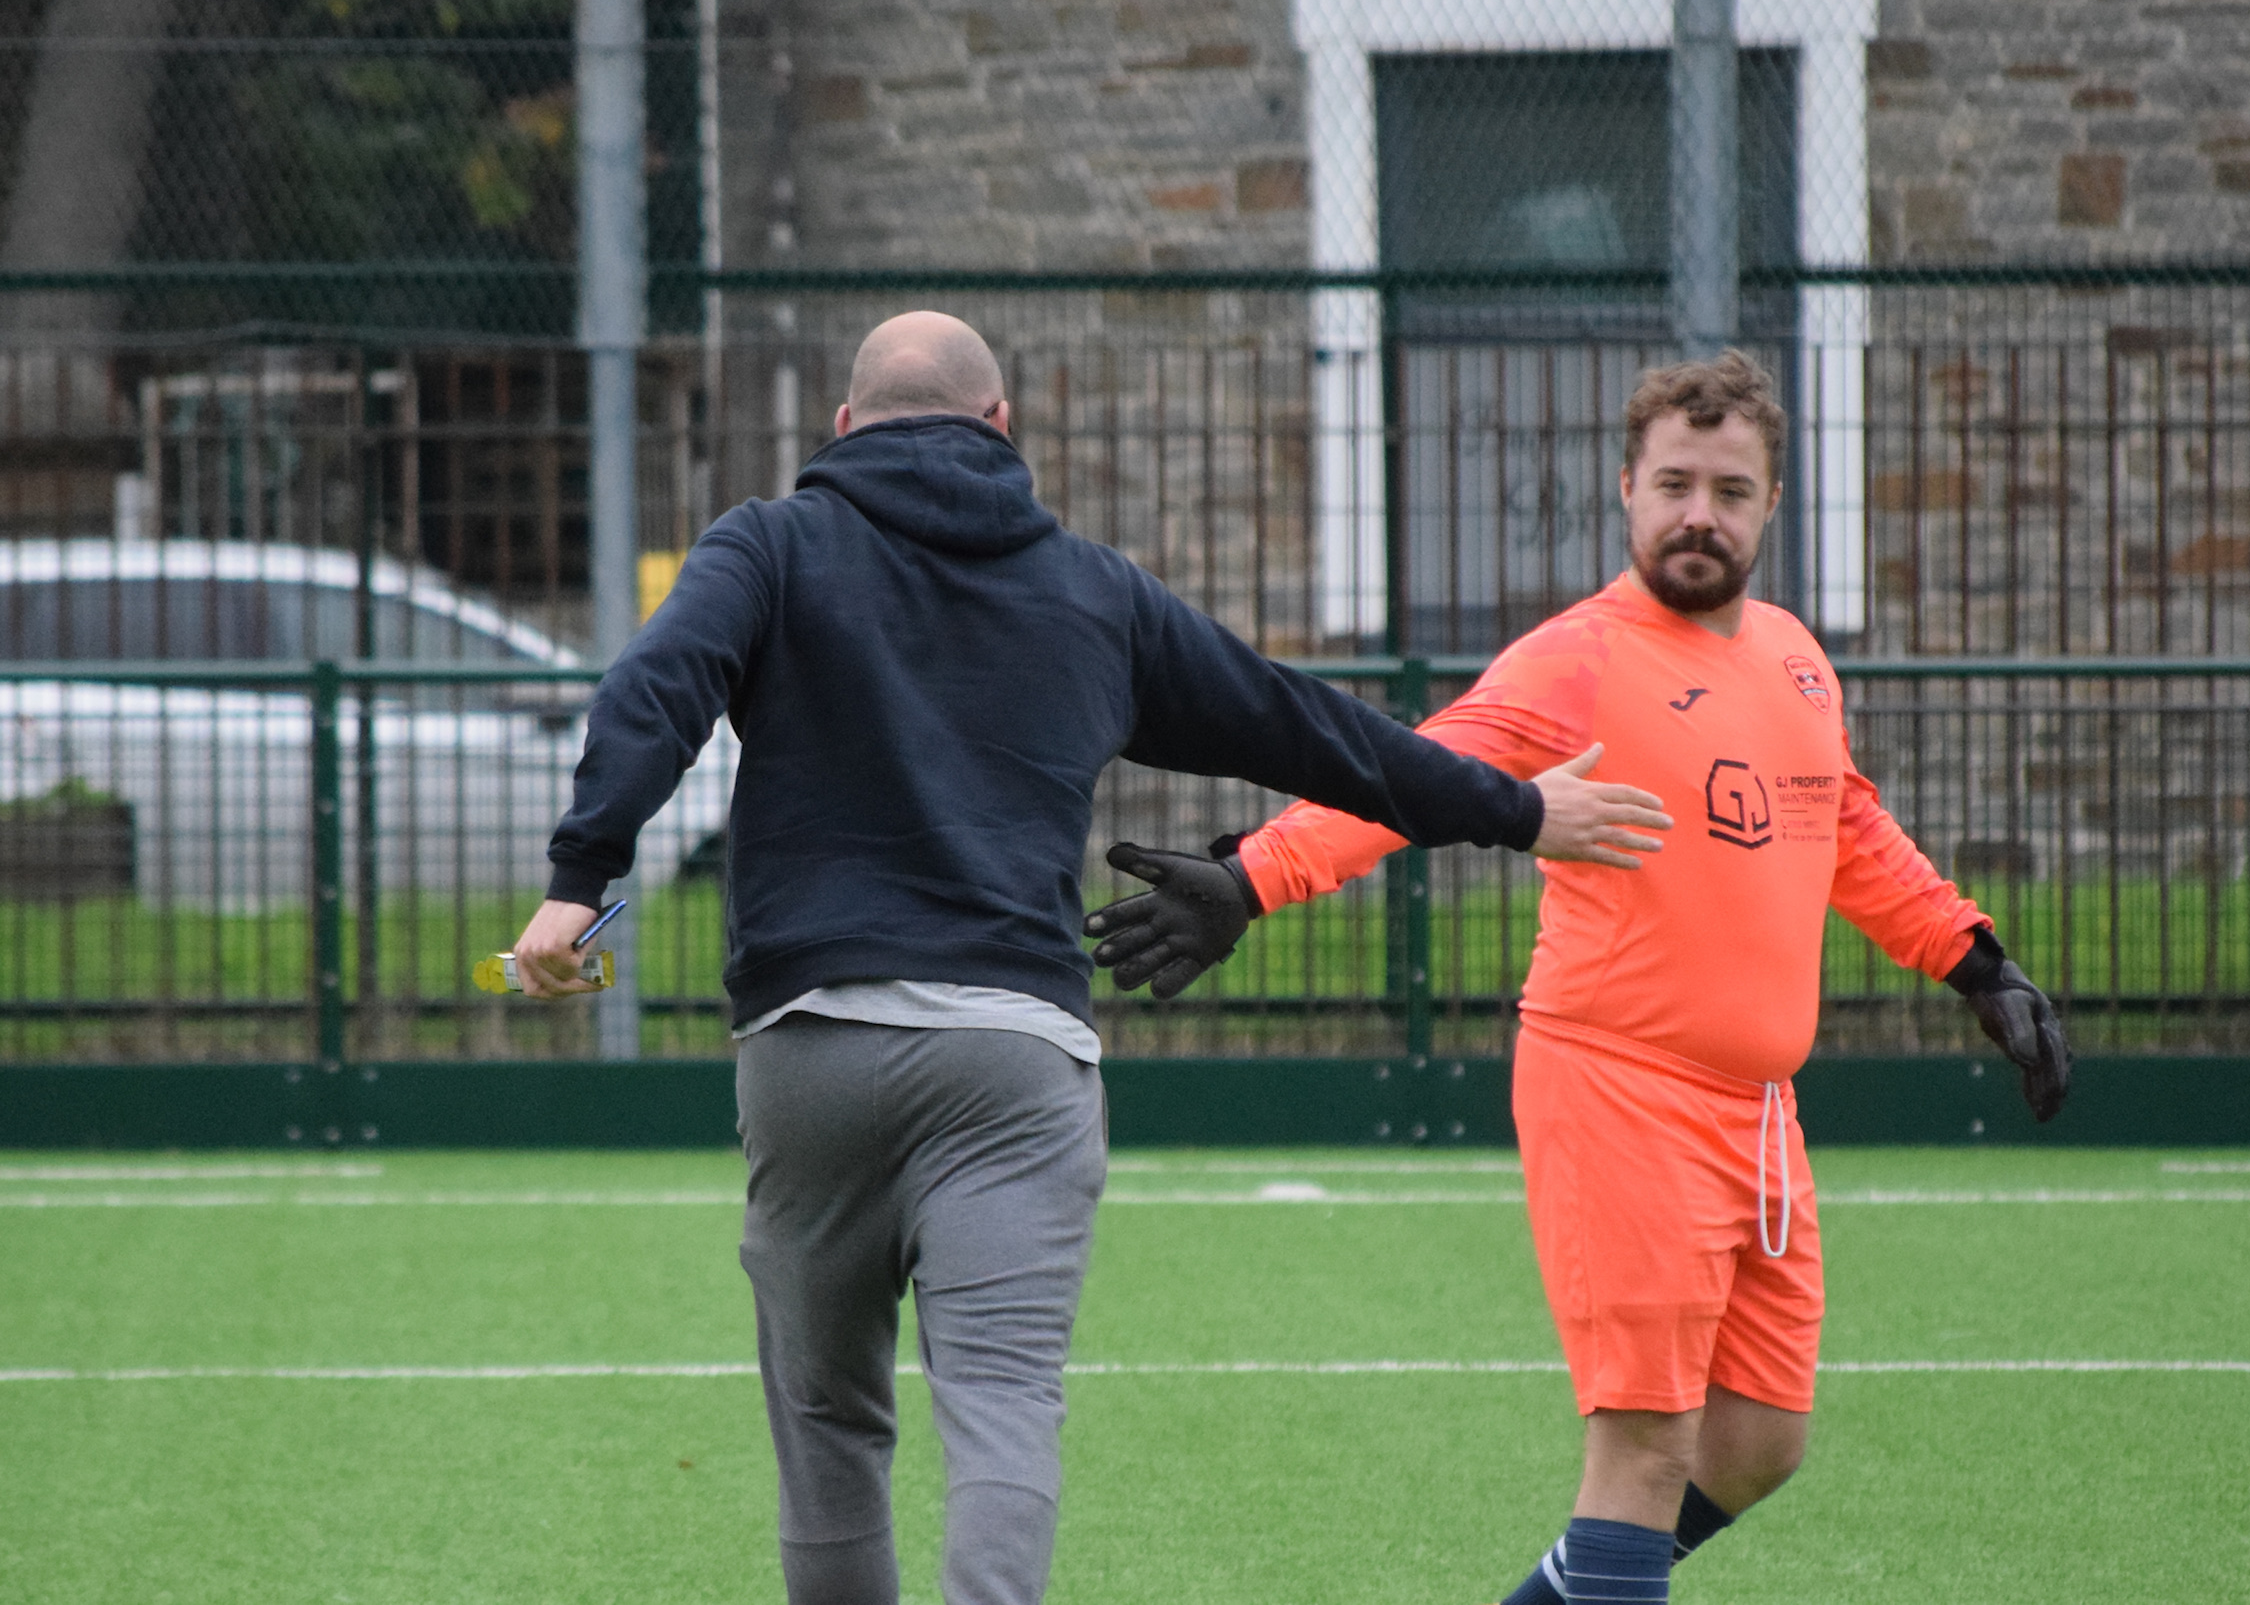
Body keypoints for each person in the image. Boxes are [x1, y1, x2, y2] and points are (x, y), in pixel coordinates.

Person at [501, 311, 1671, 1605]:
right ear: (1003, 429)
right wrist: (1516, 807)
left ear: (842, 429)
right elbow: (1309, 727)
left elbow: (657, 681)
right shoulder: (1091, 591)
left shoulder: (770, 543)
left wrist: (582, 877)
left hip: (813, 1050)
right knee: (1001, 1403)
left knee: (831, 1420)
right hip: (1014, 1059)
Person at [1085, 350, 2071, 1604]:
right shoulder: (1579, 659)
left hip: (1759, 1116)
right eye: (1672, 484)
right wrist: (1253, 875)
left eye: (1728, 488)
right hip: (1620, 1087)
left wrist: (1973, 960)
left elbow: (1851, 830)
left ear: (1772, 504)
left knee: (1760, 1441)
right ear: (1625, 491)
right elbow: (1413, 771)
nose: (1696, 512)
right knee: (1647, 1449)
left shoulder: (1794, 657)